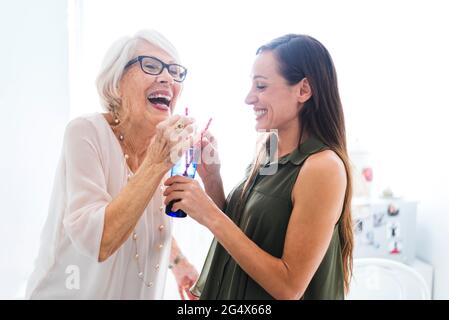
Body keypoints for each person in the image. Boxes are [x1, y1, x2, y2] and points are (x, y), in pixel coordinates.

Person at [163, 34, 354, 299]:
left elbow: (289, 287)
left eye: (261, 86)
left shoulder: (323, 168)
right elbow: (246, 233)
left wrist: (208, 213)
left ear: (303, 90)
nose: (248, 98)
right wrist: (213, 179)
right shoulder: (269, 147)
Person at [26, 29, 199, 299]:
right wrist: (156, 162)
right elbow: (99, 241)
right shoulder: (85, 132)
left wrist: (178, 263)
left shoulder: (161, 146)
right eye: (151, 66)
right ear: (117, 83)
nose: (167, 78)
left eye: (175, 72)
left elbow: (145, 218)